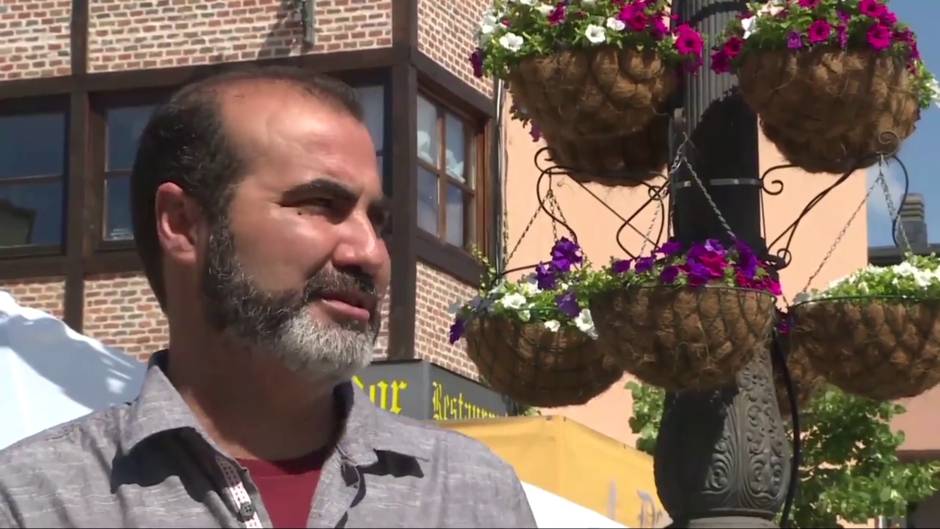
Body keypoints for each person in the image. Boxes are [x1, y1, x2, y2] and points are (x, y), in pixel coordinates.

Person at [0, 66, 536, 528]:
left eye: (377, 220)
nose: (370, 252)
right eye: (321, 203)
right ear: (183, 224)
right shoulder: (39, 500)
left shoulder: (470, 495)